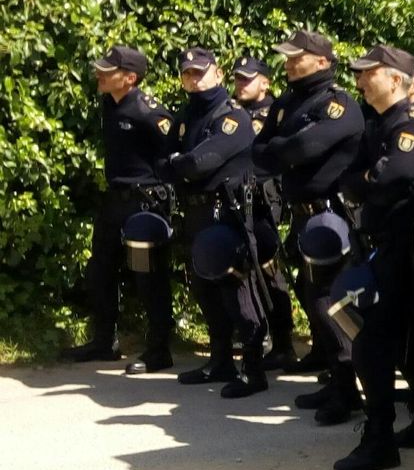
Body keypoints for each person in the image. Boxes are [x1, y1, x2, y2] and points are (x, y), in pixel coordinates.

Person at [334, 45, 414, 470]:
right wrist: (367, 180)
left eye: (370, 73)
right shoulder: (378, 126)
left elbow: (389, 177)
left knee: (372, 337)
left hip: (407, 248)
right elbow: (354, 179)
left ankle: (380, 436)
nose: (361, 80)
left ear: (397, 80)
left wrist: (367, 180)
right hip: (382, 243)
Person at [254, 28, 364, 422]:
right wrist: (285, 150)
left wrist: (283, 150)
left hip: (330, 216)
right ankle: (337, 379)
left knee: (330, 302)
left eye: (296, 56)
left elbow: (302, 148)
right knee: (311, 294)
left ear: (321, 61)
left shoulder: (338, 104)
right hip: (303, 215)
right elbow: (260, 153)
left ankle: (349, 387)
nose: (288, 62)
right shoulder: (287, 104)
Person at [164, 47, 271, 397]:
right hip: (196, 212)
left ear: (218, 74)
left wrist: (180, 162)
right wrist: (180, 162)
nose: (193, 79)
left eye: (199, 72)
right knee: (205, 290)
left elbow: (199, 163)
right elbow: (163, 162)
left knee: (236, 291)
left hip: (226, 213)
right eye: (187, 73)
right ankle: (220, 360)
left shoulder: (232, 117)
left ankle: (254, 370)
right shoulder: (187, 116)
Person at [68, 45, 179, 373]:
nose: (99, 75)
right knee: (100, 270)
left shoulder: (149, 111)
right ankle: (104, 342)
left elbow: (175, 152)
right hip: (115, 199)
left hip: (145, 203)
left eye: (108, 71)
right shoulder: (109, 102)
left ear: (130, 78)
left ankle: (159, 350)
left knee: (147, 277)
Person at [233, 56, 295, 368]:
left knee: (269, 271)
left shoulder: (276, 112)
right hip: (238, 196)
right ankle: (256, 336)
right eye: (238, 79)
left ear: (265, 81)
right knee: (244, 270)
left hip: (266, 199)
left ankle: (284, 342)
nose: (241, 84)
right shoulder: (231, 112)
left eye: (247, 78)